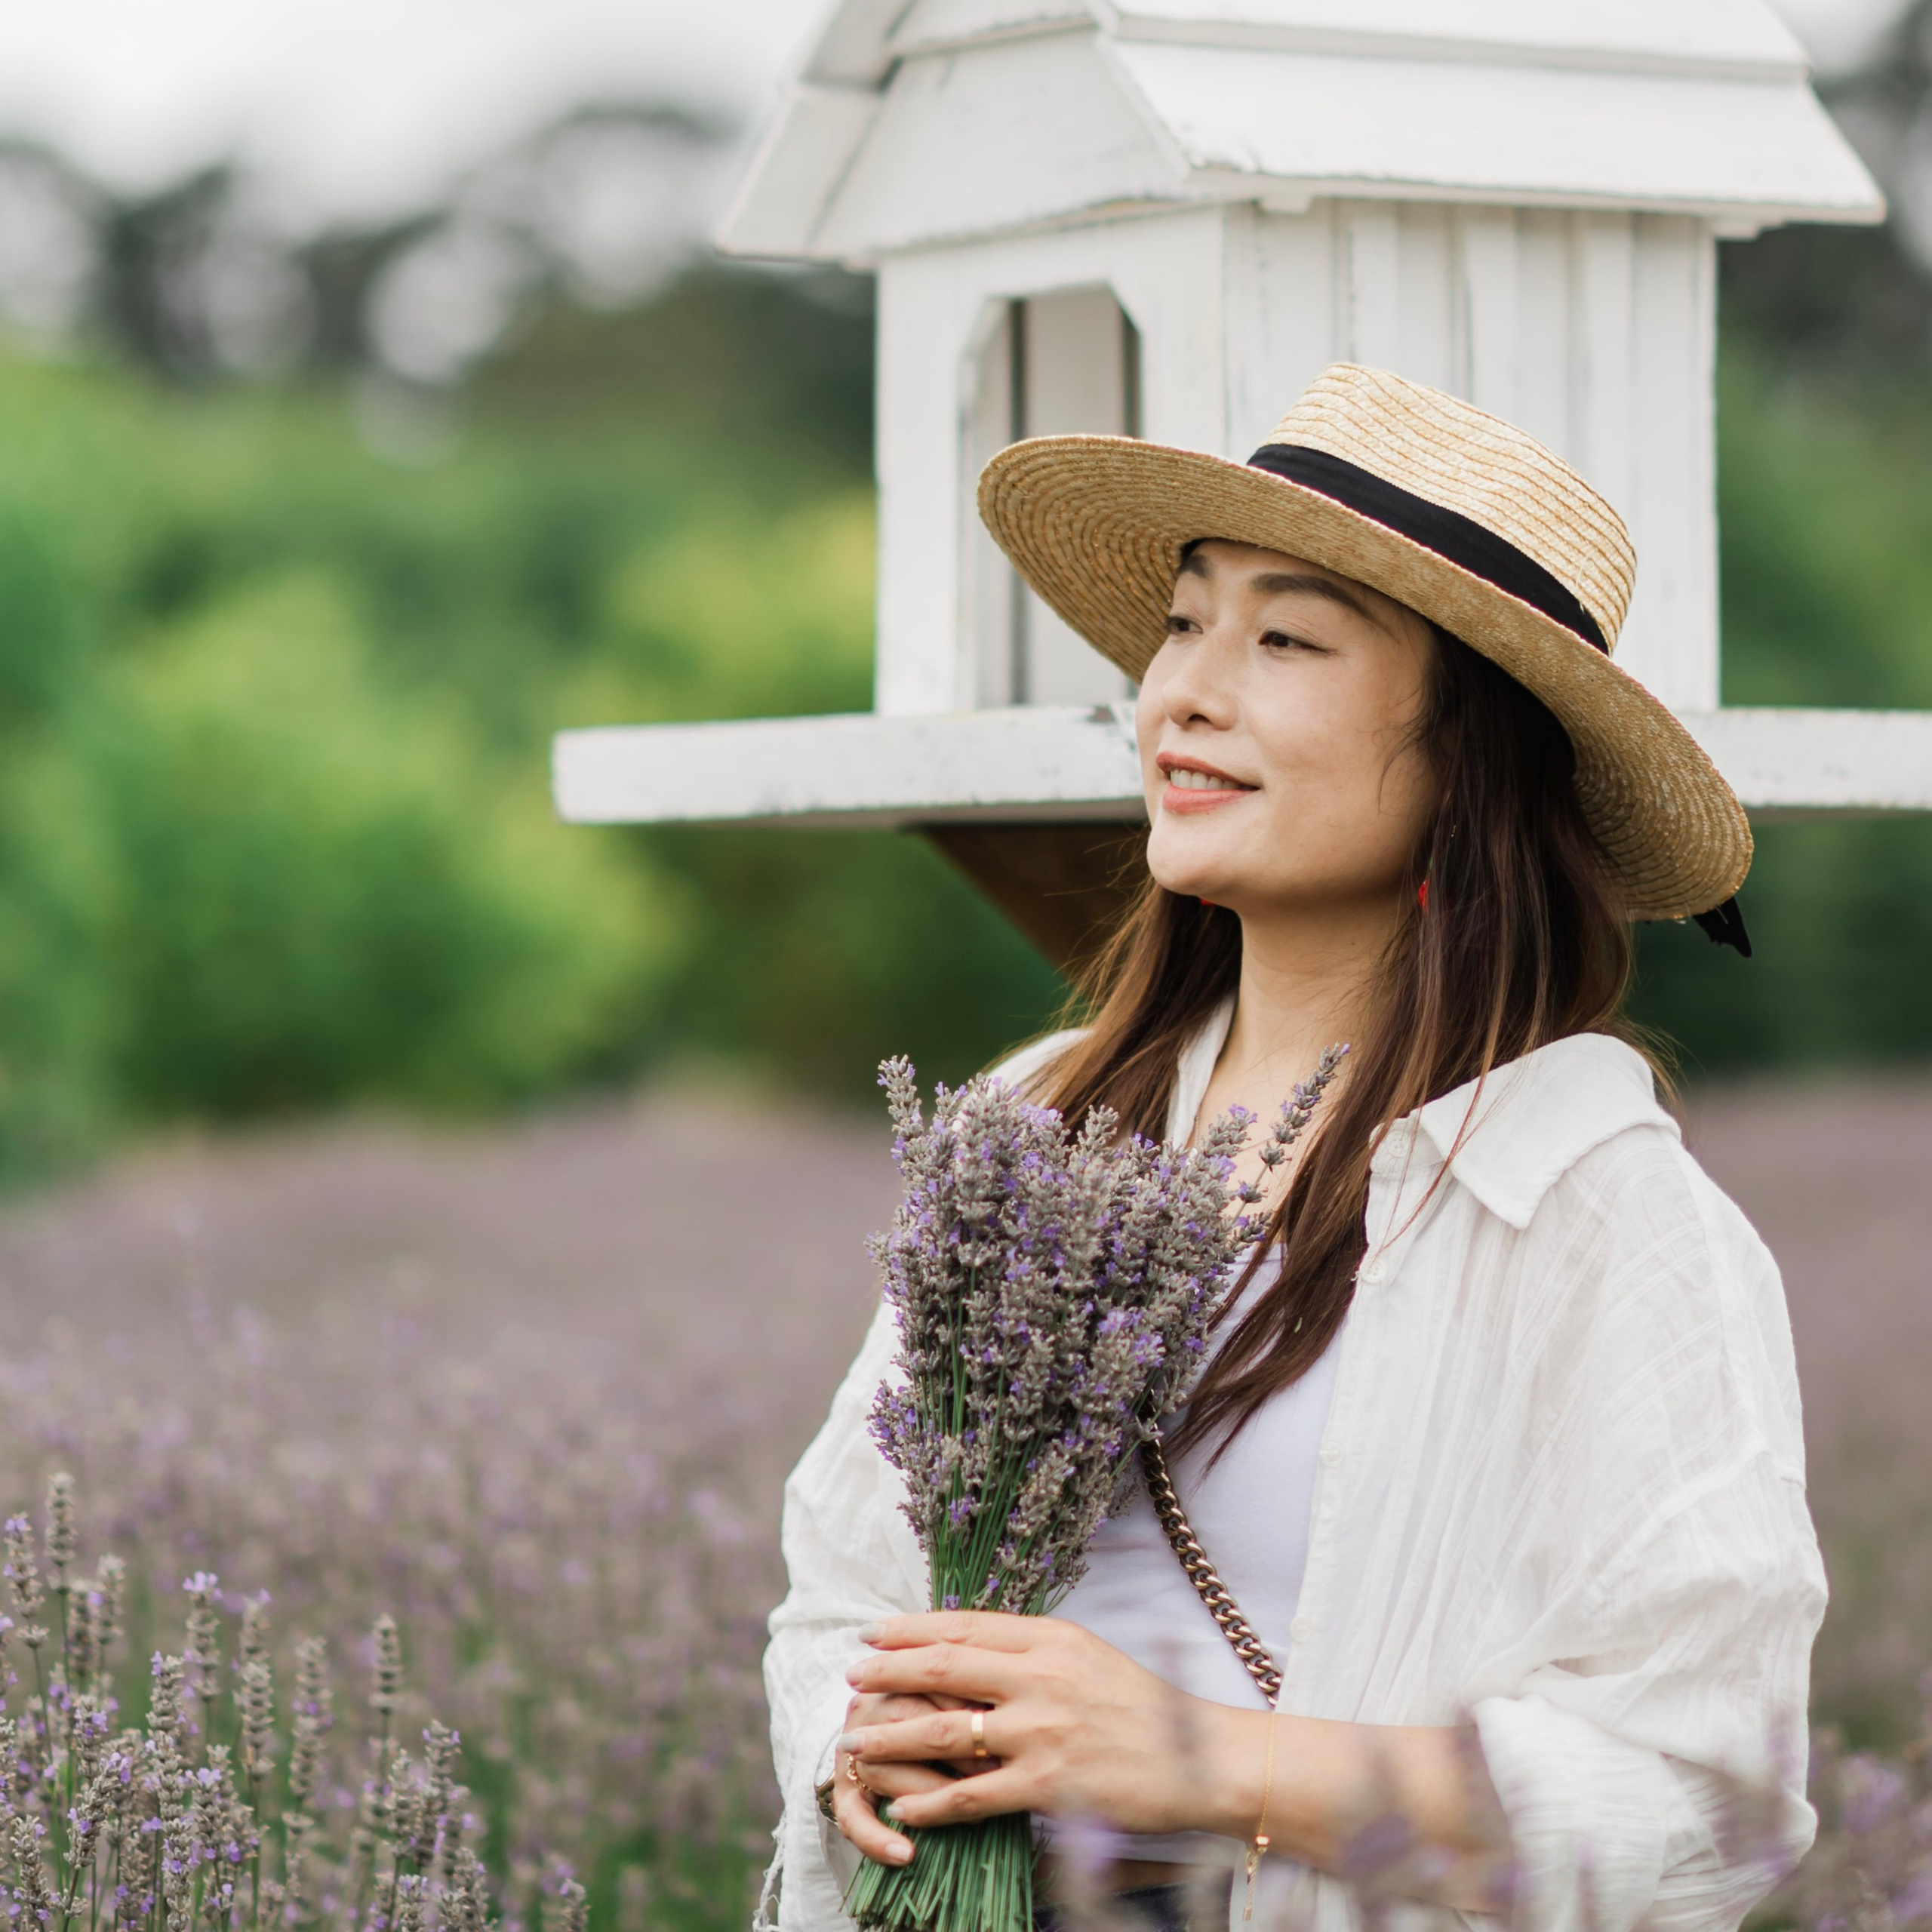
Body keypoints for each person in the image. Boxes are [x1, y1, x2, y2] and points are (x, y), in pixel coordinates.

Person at [761, 365, 1824, 1932]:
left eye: (1284, 638)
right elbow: (842, 1585)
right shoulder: (1032, 1123)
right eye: (1184, 622)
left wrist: (1205, 1759)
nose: (1182, 690)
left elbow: (1702, 1801)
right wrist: (856, 1743)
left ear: (1468, 755)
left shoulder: (1591, 1209)